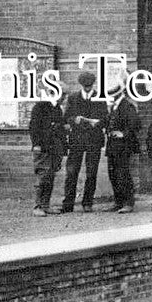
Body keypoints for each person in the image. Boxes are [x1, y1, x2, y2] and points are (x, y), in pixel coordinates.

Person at [61, 72, 107, 213]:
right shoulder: (73, 97)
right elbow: (66, 117)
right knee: (72, 172)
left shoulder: (100, 97)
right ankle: (68, 203)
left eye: (89, 86)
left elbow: (106, 118)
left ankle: (87, 202)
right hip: (77, 140)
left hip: (94, 140)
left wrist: (97, 123)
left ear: (93, 84)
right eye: (85, 86)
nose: (87, 88)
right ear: (81, 85)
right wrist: (74, 119)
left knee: (91, 173)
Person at [105, 81, 141, 213]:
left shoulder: (127, 106)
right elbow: (108, 121)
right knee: (113, 174)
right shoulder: (115, 106)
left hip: (123, 147)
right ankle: (118, 202)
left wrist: (123, 134)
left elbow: (136, 124)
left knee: (123, 174)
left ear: (119, 94)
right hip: (113, 146)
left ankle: (128, 203)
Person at [30, 96, 66, 216]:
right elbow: (34, 127)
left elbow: (60, 130)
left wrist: (63, 148)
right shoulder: (40, 107)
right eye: (63, 94)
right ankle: (37, 206)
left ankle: (46, 205)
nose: (64, 98)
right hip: (43, 147)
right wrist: (36, 144)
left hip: (55, 148)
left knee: (50, 176)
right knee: (42, 175)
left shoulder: (57, 108)